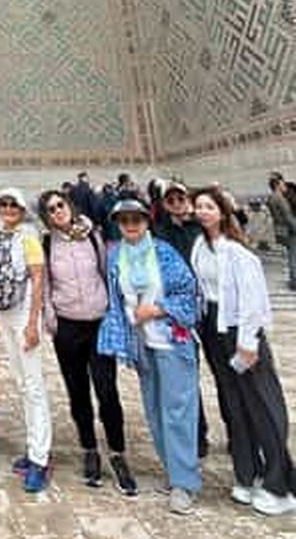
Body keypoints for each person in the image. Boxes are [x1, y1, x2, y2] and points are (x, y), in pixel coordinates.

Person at [191, 187, 296, 516]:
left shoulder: (238, 253)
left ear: (223, 211)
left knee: (263, 404)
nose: (203, 211)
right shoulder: (200, 246)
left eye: (209, 206)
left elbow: (254, 300)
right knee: (235, 404)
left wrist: (249, 342)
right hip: (214, 330)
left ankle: (279, 484)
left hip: (240, 331)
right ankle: (247, 475)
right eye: (199, 207)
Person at [98, 198, 201, 516]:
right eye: (124, 219)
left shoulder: (164, 252)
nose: (131, 224)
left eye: (137, 219)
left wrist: (157, 309)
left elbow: (190, 293)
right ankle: (174, 474)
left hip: (173, 342)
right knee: (155, 410)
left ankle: (185, 483)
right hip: (142, 345)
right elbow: (115, 301)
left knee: (178, 411)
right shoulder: (116, 256)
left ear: (147, 221)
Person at [38, 190, 137, 496]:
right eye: (50, 209)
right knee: (77, 391)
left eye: (60, 205)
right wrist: (50, 317)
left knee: (107, 390)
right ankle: (89, 449)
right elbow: (45, 282)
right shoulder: (47, 242)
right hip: (67, 326)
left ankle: (118, 454)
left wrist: (115, 314)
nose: (57, 212)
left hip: (98, 323)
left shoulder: (93, 236)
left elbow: (109, 274)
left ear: (70, 206)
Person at [0, 188, 52, 494]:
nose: (9, 208)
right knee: (23, 384)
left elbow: (38, 278)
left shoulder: (28, 236)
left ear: (23, 209)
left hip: (25, 315)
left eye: (14, 204)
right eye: (4, 204)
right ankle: (34, 448)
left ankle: (41, 458)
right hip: (6, 316)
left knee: (34, 385)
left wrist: (32, 324)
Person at [153, 180, 218, 458]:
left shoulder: (201, 230)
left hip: (209, 311)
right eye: (172, 200)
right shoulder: (159, 232)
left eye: (181, 198)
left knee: (224, 371)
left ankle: (235, 429)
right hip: (180, 312)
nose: (177, 203)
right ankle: (197, 433)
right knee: (186, 374)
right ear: (165, 204)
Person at [266, 173, 296, 290]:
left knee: (291, 255)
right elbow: (288, 216)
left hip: (281, 230)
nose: (284, 185)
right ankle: (294, 281)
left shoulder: (271, 197)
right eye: (282, 182)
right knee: (293, 255)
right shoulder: (279, 198)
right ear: (278, 184)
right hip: (289, 230)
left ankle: (293, 279)